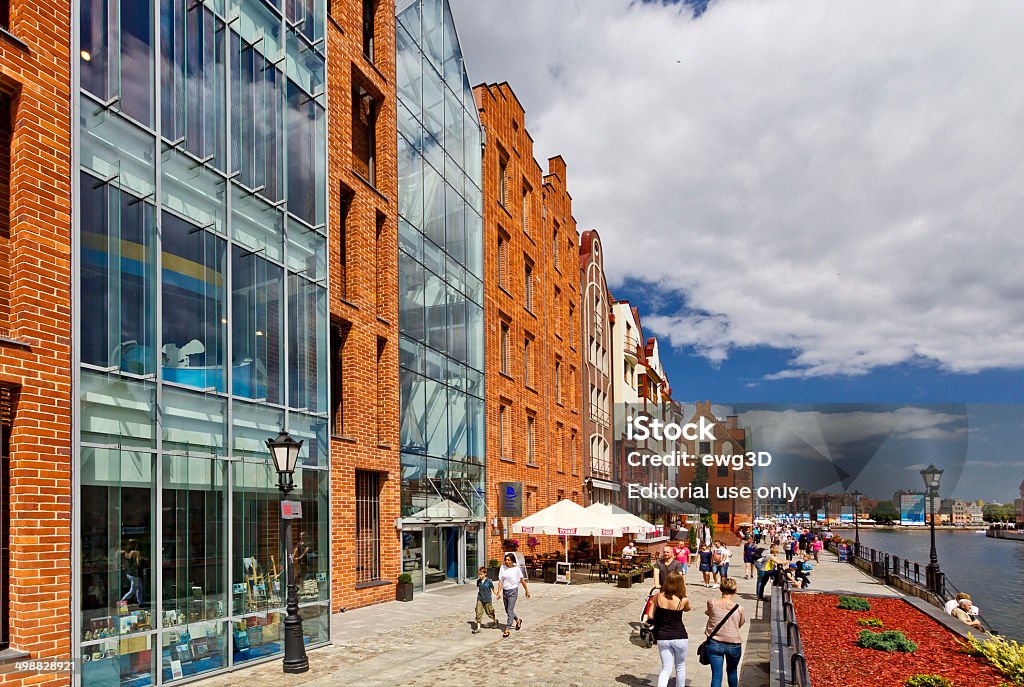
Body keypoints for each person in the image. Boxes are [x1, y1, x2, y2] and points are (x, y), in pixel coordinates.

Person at [653, 571, 691, 687]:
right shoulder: (683, 600)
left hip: (663, 636)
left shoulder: (658, 596)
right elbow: (688, 609)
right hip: (679, 635)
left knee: (666, 668)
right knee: (680, 666)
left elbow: (650, 615)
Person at [705, 577, 746, 687]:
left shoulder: (712, 603)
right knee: (732, 672)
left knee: (716, 675)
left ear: (720, 589)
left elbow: (708, 613)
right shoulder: (739, 608)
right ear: (735, 591)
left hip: (715, 642)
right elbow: (740, 623)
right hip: (733, 644)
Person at [498, 553, 530, 638]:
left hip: (513, 591)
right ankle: (518, 620)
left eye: (509, 560)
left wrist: (526, 590)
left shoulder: (516, 569)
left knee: (510, 610)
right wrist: (498, 591)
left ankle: (507, 629)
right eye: (506, 560)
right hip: (505, 591)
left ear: (512, 561)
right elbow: (500, 580)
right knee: (507, 610)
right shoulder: (502, 568)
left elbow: (522, 580)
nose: (507, 561)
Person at [472, 566, 497, 633]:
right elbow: (479, 589)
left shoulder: (489, 581)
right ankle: (478, 628)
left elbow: (492, 588)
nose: (480, 576)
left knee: (489, 612)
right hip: (480, 598)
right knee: (478, 612)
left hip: (487, 599)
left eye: (481, 574)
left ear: (485, 574)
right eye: (479, 574)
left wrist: (496, 594)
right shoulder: (478, 582)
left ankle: (495, 621)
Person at [120, 540, 144, 607]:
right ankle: (122, 602)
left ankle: (141, 602)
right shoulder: (137, 552)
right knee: (133, 590)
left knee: (140, 588)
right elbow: (138, 563)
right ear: (135, 545)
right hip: (135, 573)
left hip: (129, 573)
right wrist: (141, 560)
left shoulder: (126, 552)